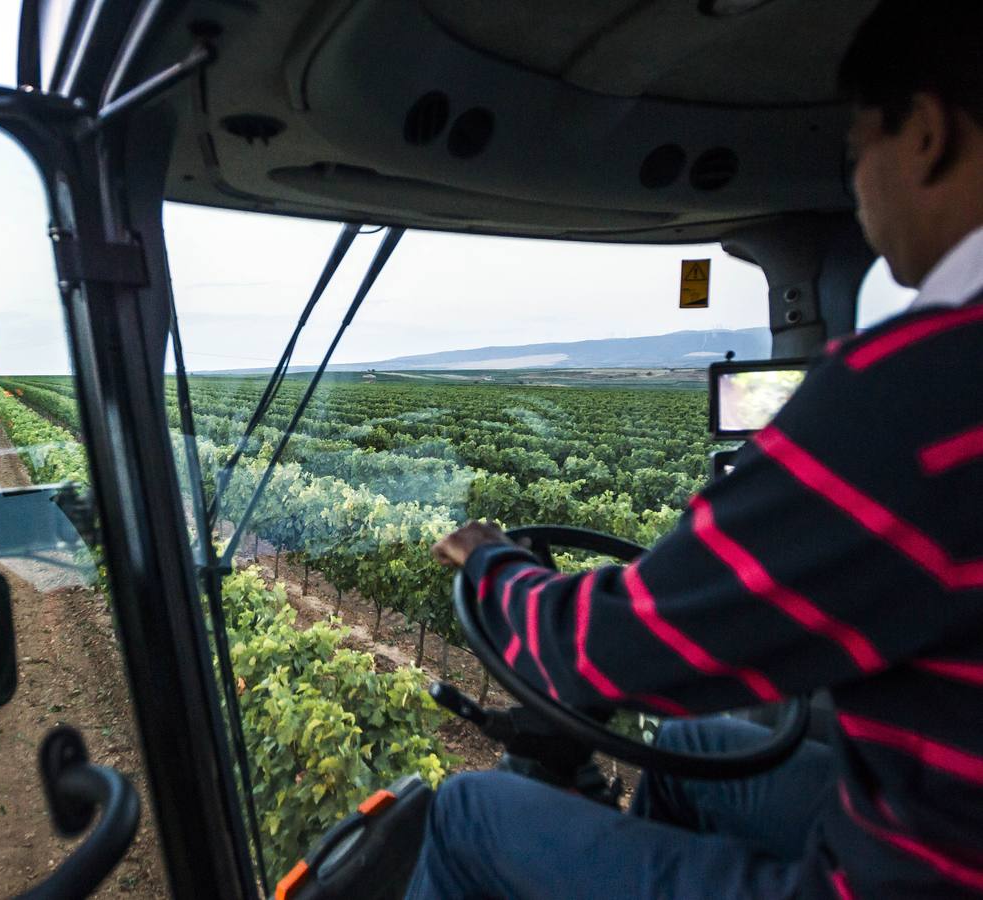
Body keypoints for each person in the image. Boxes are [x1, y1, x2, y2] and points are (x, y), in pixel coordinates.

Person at [409, 3, 983, 898]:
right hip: (942, 819)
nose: (861, 187)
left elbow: (605, 650)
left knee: (466, 815)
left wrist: (491, 565)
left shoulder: (920, 387)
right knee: (683, 746)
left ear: (925, 135)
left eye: (856, 149)